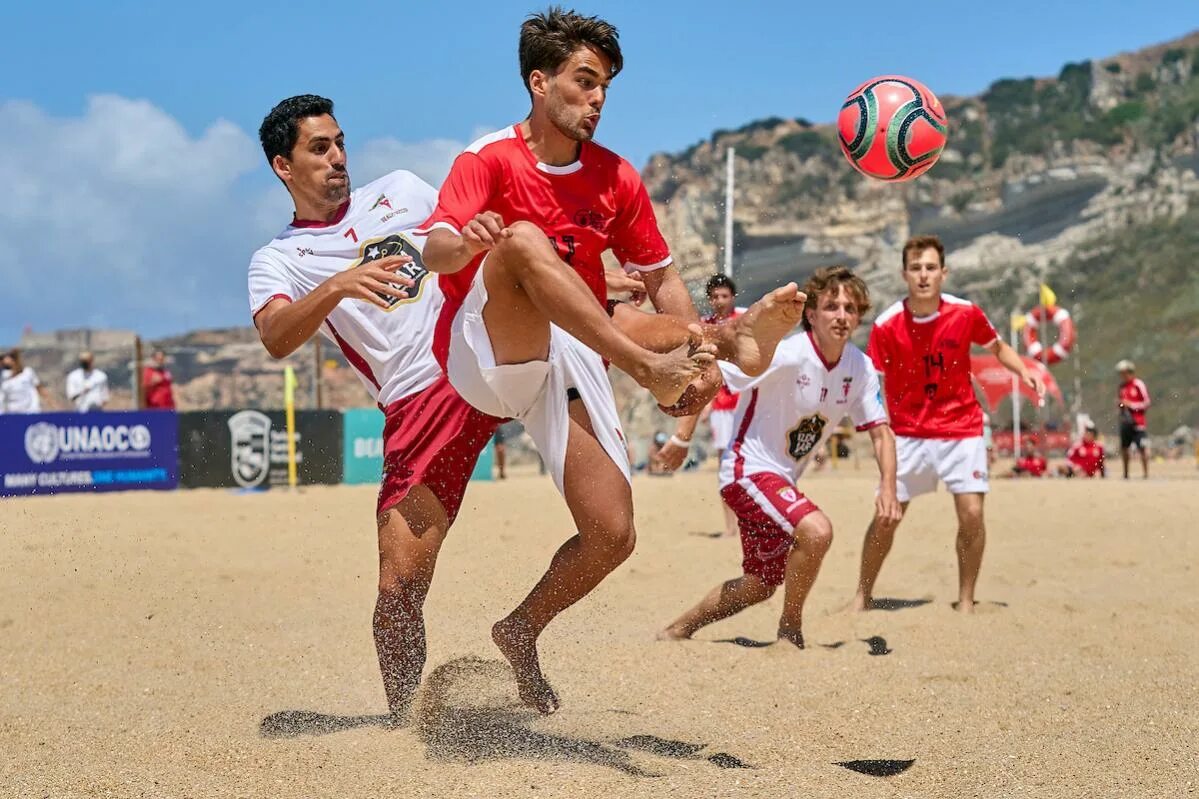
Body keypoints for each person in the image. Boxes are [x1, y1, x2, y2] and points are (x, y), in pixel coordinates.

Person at [418, 8, 803, 714]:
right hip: (487, 347)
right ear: (539, 82)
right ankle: (689, 352)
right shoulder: (488, 158)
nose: (597, 98)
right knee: (525, 244)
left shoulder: (614, 178)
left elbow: (659, 275)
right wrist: (467, 238)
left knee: (612, 533)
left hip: (573, 346)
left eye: (605, 86)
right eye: (583, 81)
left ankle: (519, 629)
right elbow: (434, 250)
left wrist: (688, 343)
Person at [247, 94, 500, 720]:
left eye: (339, 142)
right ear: (284, 166)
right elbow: (277, 337)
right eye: (319, 148)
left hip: (481, 350)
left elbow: (469, 237)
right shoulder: (278, 259)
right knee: (397, 590)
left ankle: (686, 352)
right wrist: (337, 285)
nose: (338, 158)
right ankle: (405, 716)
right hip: (418, 400)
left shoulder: (404, 190)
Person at [660, 267, 900, 648]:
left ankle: (676, 631)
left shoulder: (860, 367)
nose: (841, 315)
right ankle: (790, 631)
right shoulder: (786, 354)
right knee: (817, 531)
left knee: (760, 585)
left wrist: (889, 487)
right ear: (812, 313)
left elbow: (881, 431)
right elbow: (714, 376)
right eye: (832, 306)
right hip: (746, 470)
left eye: (851, 308)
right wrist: (682, 437)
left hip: (780, 481)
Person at [851, 235, 1045, 614]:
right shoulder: (887, 325)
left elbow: (997, 347)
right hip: (907, 434)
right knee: (886, 517)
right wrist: (876, 424)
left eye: (930, 268)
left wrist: (1025, 371)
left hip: (962, 428)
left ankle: (967, 599)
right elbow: (871, 381)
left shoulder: (965, 312)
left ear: (943, 272)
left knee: (972, 513)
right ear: (904, 274)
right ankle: (862, 595)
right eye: (916, 268)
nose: (923, 275)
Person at [657, 273, 744, 535]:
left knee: (748, 464)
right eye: (715, 296)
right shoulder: (703, 326)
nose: (719, 301)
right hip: (722, 408)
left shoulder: (742, 321)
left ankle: (751, 523)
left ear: (733, 297)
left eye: (724, 296)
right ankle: (731, 527)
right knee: (726, 465)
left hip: (747, 402)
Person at [1116, 360, 1150, 479]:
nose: (1122, 376)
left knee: (1142, 447)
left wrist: (1131, 405)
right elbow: (1121, 404)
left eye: (1124, 373)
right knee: (1124, 448)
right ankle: (1126, 474)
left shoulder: (1138, 384)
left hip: (1138, 422)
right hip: (1125, 422)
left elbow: (1146, 403)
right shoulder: (1121, 387)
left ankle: (1146, 474)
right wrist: (1121, 405)